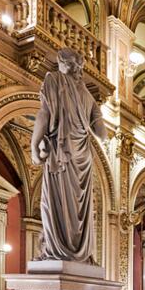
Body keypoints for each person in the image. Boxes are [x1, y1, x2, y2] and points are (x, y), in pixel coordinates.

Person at [30, 48, 108, 264]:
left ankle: (58, 250)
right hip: (82, 158)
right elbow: (102, 134)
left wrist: (34, 145)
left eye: (60, 63)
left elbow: (44, 113)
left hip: (61, 157)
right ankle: (79, 253)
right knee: (78, 208)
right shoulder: (88, 96)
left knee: (55, 205)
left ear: (64, 64)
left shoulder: (53, 80)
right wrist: (91, 113)